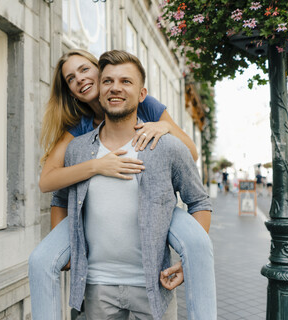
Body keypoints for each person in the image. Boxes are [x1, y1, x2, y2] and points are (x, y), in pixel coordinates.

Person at [28, 49, 216, 320]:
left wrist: (164, 128)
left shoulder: (162, 135)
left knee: (190, 237)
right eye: (108, 81)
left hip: (153, 286)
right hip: (96, 286)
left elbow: (198, 194)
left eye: (125, 81)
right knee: (40, 260)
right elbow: (56, 192)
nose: (115, 87)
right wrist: (69, 249)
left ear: (141, 93)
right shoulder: (78, 144)